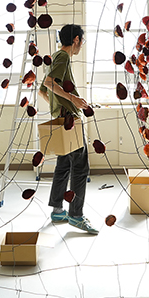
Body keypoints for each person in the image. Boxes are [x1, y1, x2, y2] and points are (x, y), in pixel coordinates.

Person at [38, 24, 98, 235]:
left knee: (64, 164)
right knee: (80, 168)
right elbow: (49, 83)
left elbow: (42, 91)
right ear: (75, 40)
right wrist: (73, 101)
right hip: (69, 120)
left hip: (62, 117)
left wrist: (58, 106)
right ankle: (76, 216)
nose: (81, 44)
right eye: (81, 40)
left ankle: (57, 210)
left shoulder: (55, 57)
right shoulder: (63, 57)